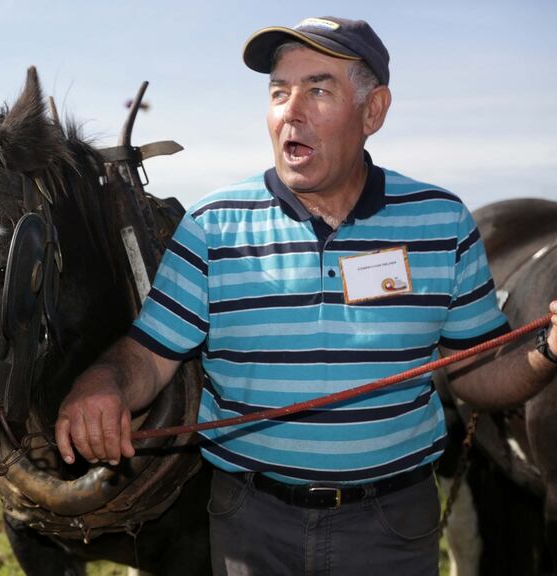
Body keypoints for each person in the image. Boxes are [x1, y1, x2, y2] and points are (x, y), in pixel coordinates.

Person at [55, 16, 557, 575]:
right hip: (251, 522)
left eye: (317, 90)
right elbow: (147, 355)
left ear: (374, 111)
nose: (290, 111)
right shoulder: (211, 226)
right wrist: (101, 386)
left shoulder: (441, 223)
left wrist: (549, 350)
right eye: (278, 92)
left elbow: (478, 372)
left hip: (392, 524)